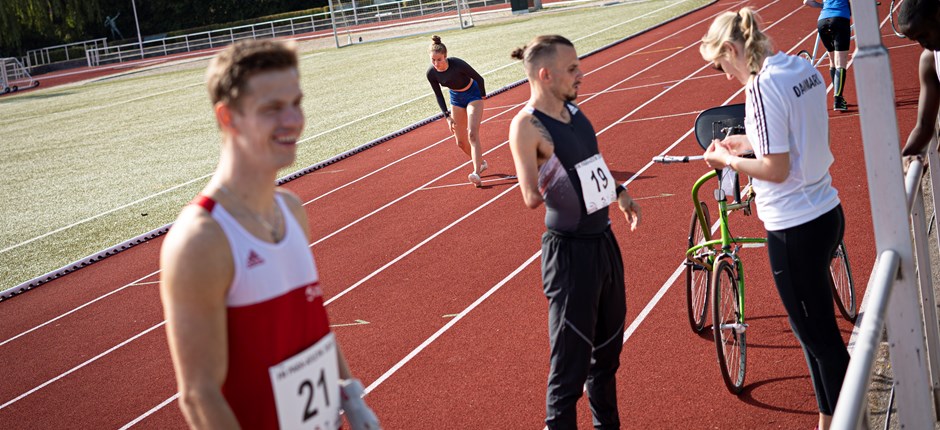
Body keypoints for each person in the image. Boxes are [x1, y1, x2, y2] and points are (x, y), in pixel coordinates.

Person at [159, 39, 380, 430]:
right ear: (228, 117)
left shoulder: (291, 211)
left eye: (296, 103)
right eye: (272, 108)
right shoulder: (201, 240)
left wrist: (351, 396)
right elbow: (198, 395)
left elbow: (314, 327)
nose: (293, 119)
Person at [699, 9, 849, 430]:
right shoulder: (801, 68)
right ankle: (827, 420)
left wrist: (726, 158)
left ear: (733, 49)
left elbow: (777, 169)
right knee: (814, 336)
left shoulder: (761, 87)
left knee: (821, 342)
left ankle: (851, 419)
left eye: (722, 65)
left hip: (794, 226)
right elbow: (796, 134)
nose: (727, 76)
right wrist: (749, 141)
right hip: (825, 210)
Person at [507, 34, 641, 429]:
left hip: (604, 244)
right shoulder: (527, 126)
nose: (581, 74)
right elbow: (531, 195)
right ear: (545, 75)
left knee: (607, 359)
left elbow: (592, 163)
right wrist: (550, 173)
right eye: (572, 69)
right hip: (569, 257)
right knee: (569, 371)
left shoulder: (576, 113)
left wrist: (620, 193)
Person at [426, 35, 489, 187]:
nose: (436, 63)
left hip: (472, 94)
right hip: (456, 98)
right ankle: (481, 163)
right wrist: (447, 116)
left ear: (445, 57)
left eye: (439, 59)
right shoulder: (431, 73)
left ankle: (476, 173)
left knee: (472, 134)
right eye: (433, 60)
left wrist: (482, 96)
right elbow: (438, 95)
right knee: (460, 142)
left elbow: (479, 79)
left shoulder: (457, 64)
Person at [897, 0, 940, 164]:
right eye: (915, 39)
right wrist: (905, 159)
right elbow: (923, 125)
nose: (923, 44)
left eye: (923, 35)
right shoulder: (930, 60)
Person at [802, 0, 852, 111]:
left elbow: (806, 2)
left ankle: (839, 96)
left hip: (823, 21)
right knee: (841, 62)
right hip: (840, 19)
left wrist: (822, 5)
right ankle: (838, 100)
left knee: (833, 61)